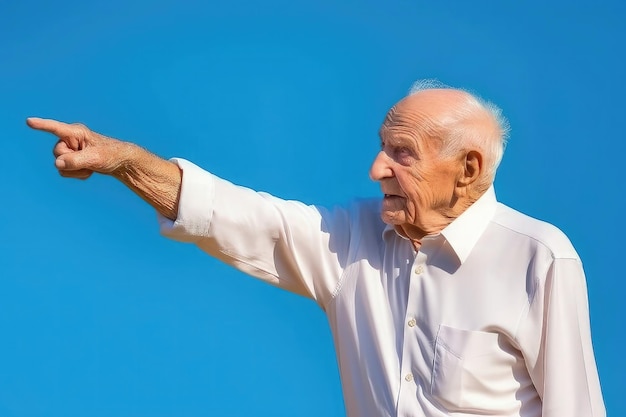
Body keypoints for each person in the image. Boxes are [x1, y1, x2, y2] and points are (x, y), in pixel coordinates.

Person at [28, 80, 605, 417]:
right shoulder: (351, 239)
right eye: (382, 148)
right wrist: (125, 161)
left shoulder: (538, 257)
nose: (376, 168)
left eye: (401, 154)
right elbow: (237, 215)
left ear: (467, 169)